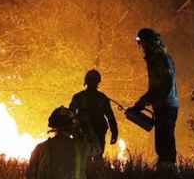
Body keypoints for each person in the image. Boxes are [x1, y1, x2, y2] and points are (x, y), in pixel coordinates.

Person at [130, 28, 179, 167]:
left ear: (149, 43)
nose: (142, 48)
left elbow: (164, 84)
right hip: (165, 104)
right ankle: (166, 169)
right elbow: (157, 87)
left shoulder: (159, 59)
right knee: (163, 140)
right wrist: (143, 102)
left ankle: (167, 173)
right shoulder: (160, 57)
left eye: (143, 44)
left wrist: (144, 102)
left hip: (166, 105)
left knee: (165, 141)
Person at [69, 69, 119, 158]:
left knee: (85, 157)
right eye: (91, 81)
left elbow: (70, 114)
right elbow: (110, 116)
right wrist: (114, 132)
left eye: (93, 81)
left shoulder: (79, 97)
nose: (92, 83)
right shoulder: (102, 98)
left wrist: (114, 132)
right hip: (86, 132)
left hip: (89, 132)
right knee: (94, 157)